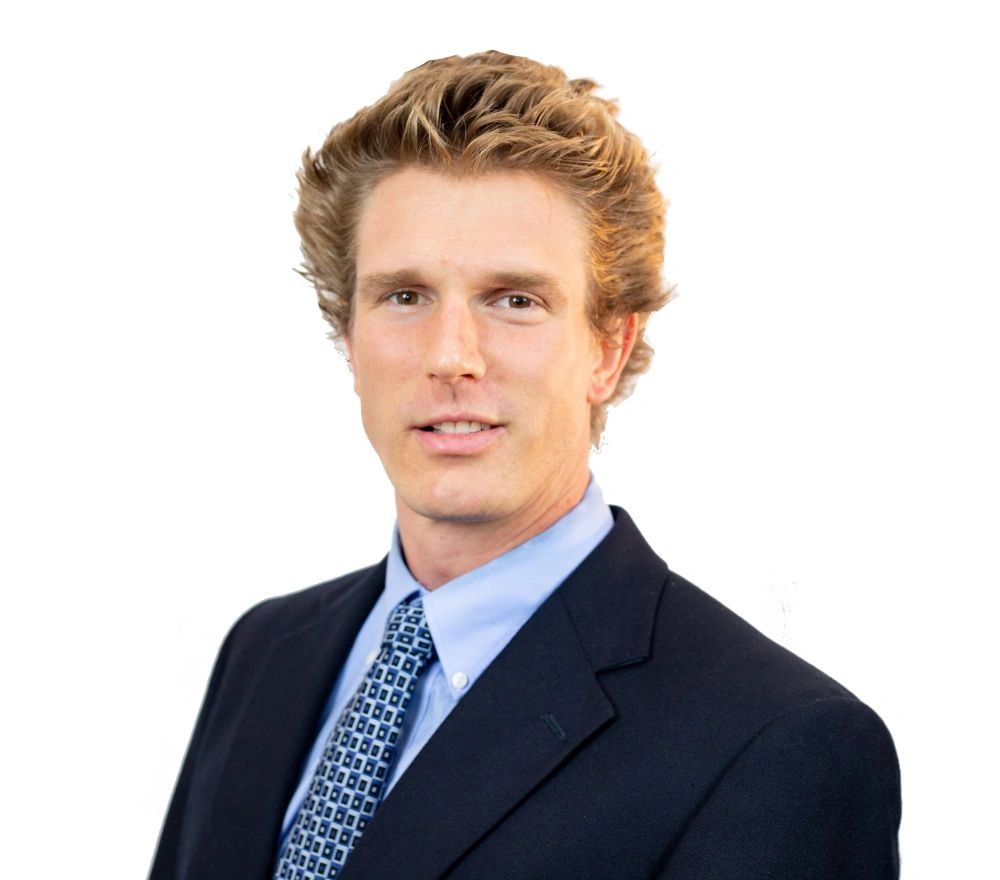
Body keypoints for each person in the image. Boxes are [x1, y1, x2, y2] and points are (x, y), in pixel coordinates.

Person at [149, 51, 901, 880]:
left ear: (608, 348)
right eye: (404, 295)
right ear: (349, 336)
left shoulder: (777, 744)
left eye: (515, 300)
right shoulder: (266, 651)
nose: (450, 356)